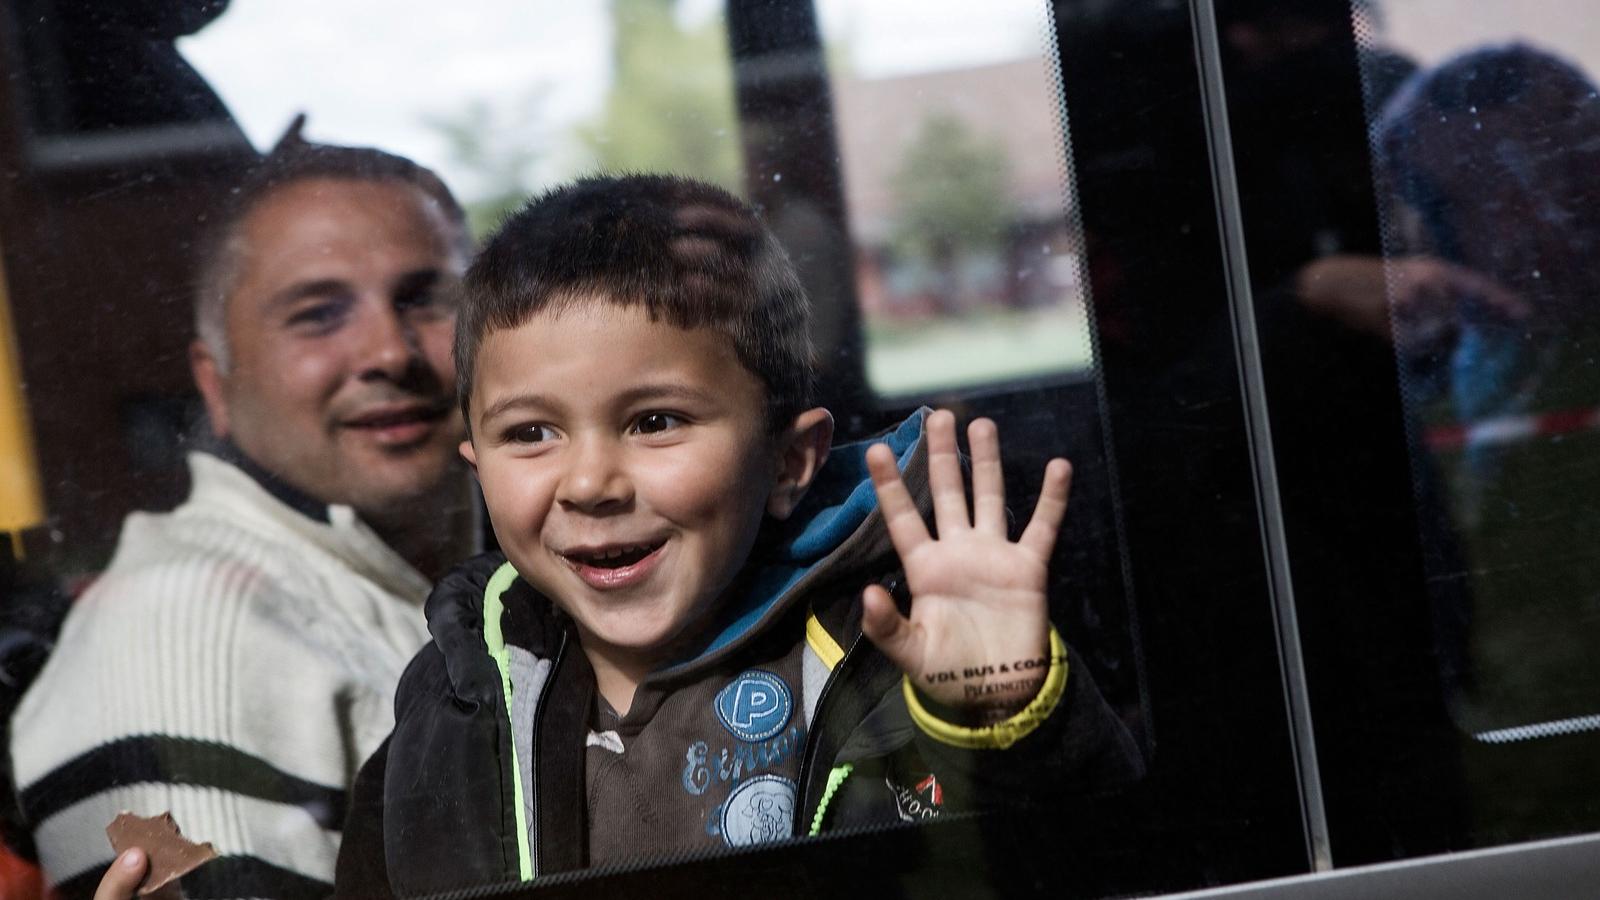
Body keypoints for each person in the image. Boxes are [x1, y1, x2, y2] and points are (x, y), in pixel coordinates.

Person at [322, 174, 1142, 896]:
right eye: (531, 434)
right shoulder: (456, 701)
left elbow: (1053, 860)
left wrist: (995, 712)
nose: (589, 484)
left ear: (789, 463)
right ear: (477, 467)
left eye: (654, 422)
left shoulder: (887, 654)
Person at [12, 126, 478, 899]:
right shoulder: (185, 630)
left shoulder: (490, 572)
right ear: (216, 384)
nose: (389, 352)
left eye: (425, 299)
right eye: (319, 314)